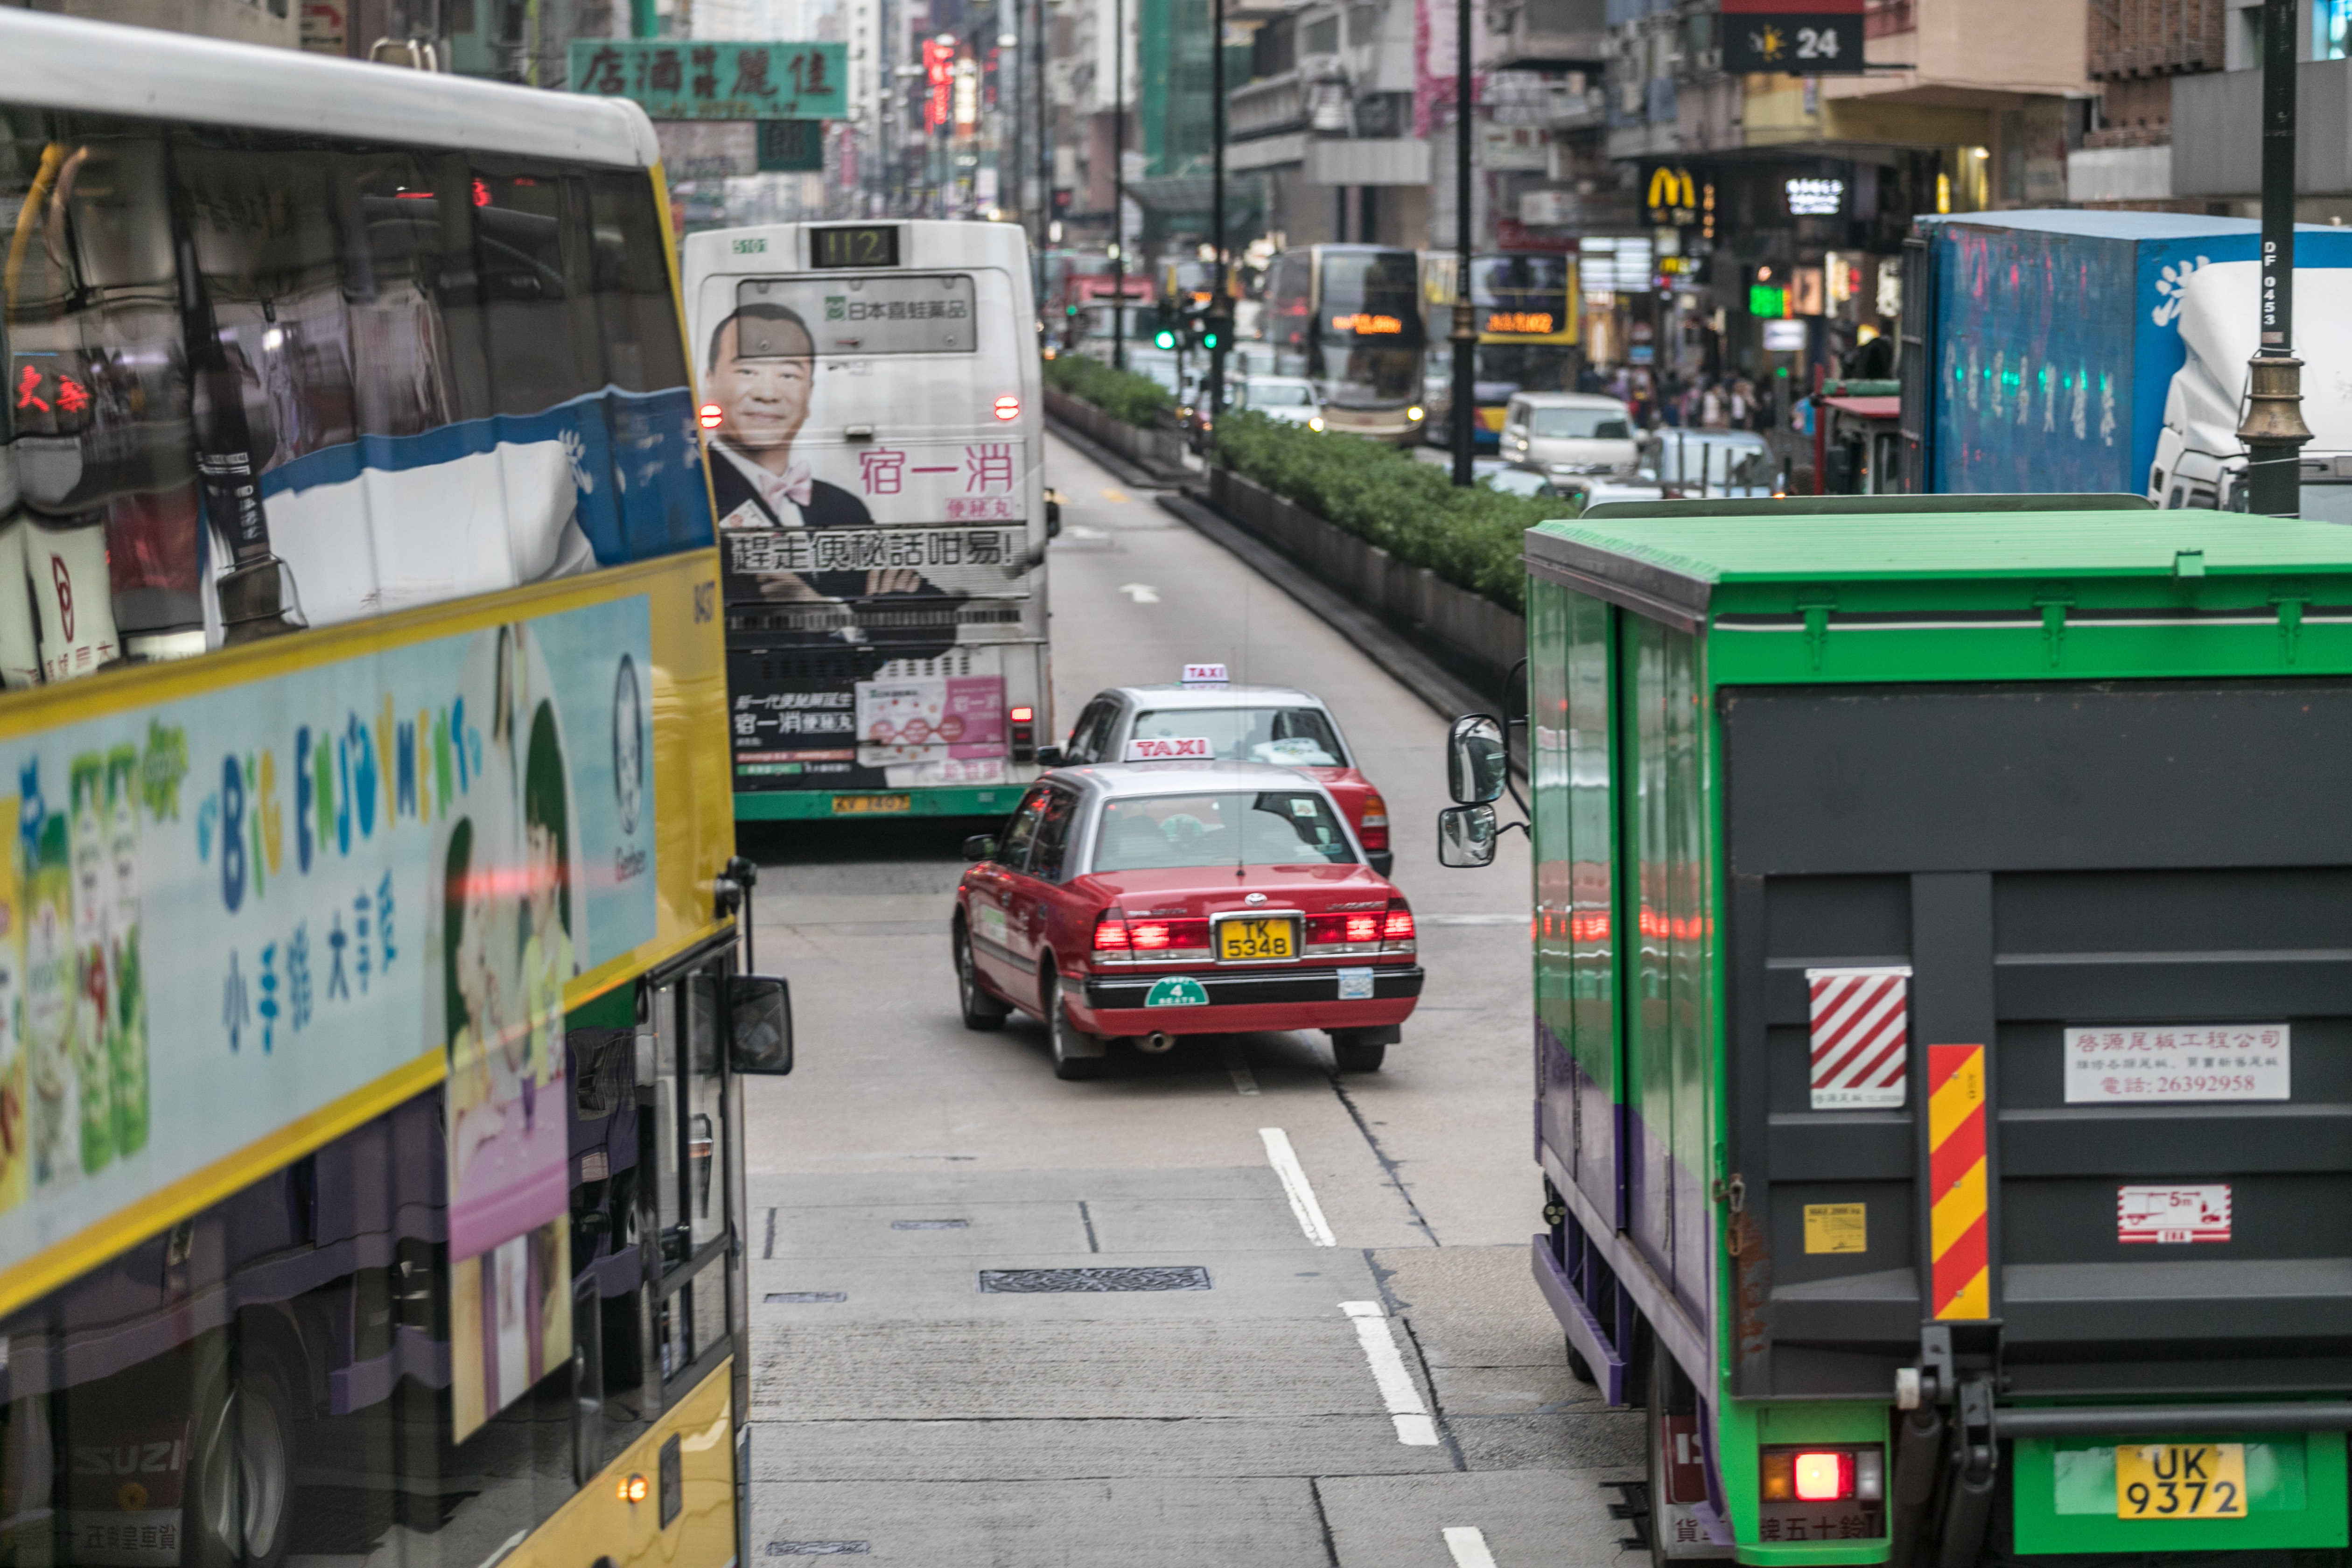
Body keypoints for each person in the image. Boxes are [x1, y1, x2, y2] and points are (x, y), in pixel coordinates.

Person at [703, 301, 929, 603]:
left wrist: (831, 615)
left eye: (788, 376)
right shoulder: (690, 495)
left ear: (809, 394)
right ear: (710, 383)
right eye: (747, 371)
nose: (767, 394)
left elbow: (935, 620)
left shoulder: (844, 509)